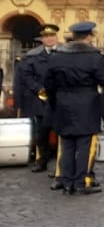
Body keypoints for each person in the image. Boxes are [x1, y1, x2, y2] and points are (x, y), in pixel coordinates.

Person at [43, 21, 104, 197]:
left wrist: (54, 103)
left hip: (63, 103)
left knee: (67, 144)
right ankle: (81, 182)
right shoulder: (95, 56)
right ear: (89, 36)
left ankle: (67, 182)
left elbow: (48, 83)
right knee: (84, 145)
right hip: (87, 103)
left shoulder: (57, 55)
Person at [18, 24, 60, 177]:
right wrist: (39, 89)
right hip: (41, 99)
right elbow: (27, 76)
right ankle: (42, 160)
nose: (49, 39)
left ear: (56, 37)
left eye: (52, 36)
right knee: (41, 132)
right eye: (46, 36)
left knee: (63, 133)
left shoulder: (65, 53)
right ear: (42, 39)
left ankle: (61, 165)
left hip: (61, 99)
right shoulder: (33, 56)